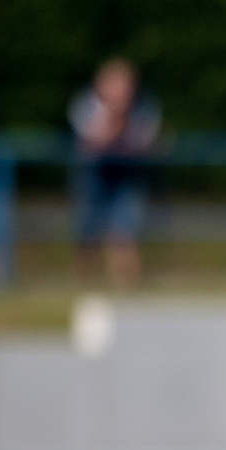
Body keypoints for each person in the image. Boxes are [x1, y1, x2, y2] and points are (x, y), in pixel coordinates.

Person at [68, 58, 160, 288]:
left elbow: (145, 141)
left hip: (126, 175)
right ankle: (83, 281)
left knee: (125, 230)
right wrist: (114, 117)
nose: (121, 91)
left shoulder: (144, 107)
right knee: (87, 230)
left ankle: (126, 285)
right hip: (93, 174)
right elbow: (92, 139)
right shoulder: (84, 104)